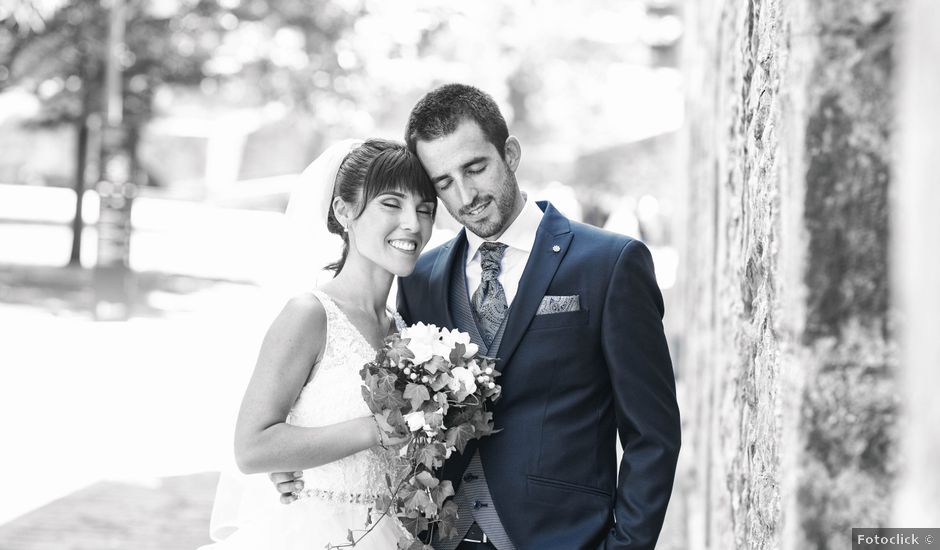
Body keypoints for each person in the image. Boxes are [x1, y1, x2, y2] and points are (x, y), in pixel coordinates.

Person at [274, 84, 681, 549]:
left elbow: (653, 434)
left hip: (563, 537)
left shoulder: (608, 263)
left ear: (509, 153)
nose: (465, 195)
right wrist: (303, 461)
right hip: (438, 538)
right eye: (443, 183)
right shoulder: (420, 277)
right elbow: (404, 409)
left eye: (475, 168)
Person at [201, 138, 437, 550]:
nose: (413, 224)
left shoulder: (409, 332)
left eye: (424, 209)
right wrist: (372, 429)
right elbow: (251, 447)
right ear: (343, 211)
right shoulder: (310, 315)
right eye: (391, 204)